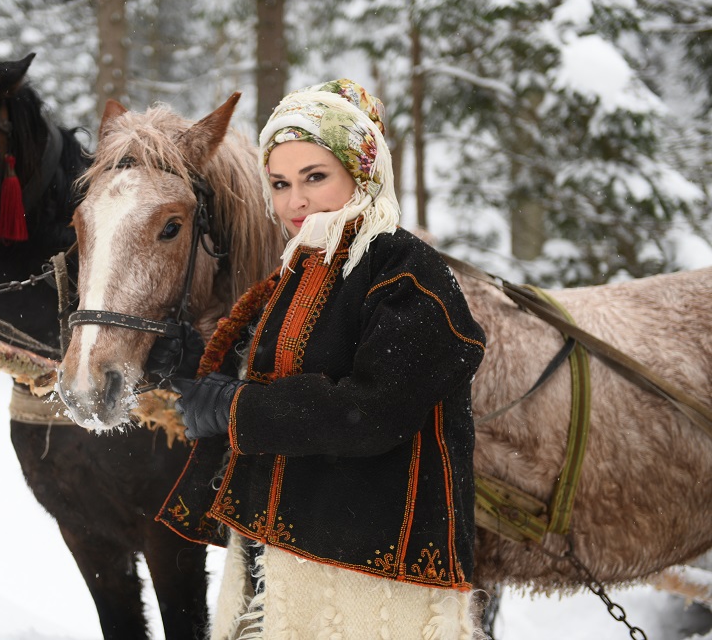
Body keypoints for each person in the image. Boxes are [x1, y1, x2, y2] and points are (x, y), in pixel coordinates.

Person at [147, 79, 486, 640]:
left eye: (315, 177)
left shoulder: (409, 274)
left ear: (362, 173)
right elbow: (274, 380)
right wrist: (192, 367)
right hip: (272, 564)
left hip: (366, 580)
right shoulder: (299, 269)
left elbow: (373, 412)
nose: (294, 202)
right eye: (280, 183)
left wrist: (236, 408)